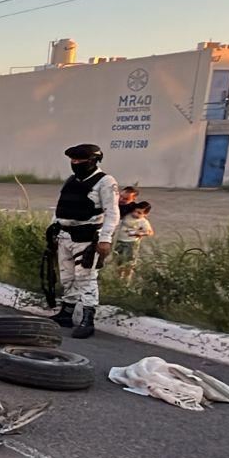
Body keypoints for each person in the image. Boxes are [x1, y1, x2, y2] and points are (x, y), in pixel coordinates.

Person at [48, 143, 120, 338]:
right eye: (73, 160)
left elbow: (112, 213)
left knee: (86, 278)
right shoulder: (71, 180)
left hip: (87, 238)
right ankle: (66, 313)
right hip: (65, 235)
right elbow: (61, 207)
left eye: (80, 160)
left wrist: (105, 239)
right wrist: (53, 227)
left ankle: (88, 319)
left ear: (93, 161)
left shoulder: (105, 182)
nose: (75, 163)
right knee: (67, 277)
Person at [115, 201, 153, 280]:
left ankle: (127, 279)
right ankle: (118, 278)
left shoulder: (143, 221)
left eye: (139, 213)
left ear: (145, 214)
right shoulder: (127, 216)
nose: (135, 214)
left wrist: (140, 233)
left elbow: (150, 232)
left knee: (129, 262)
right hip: (120, 241)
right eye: (134, 211)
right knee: (119, 261)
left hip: (131, 243)